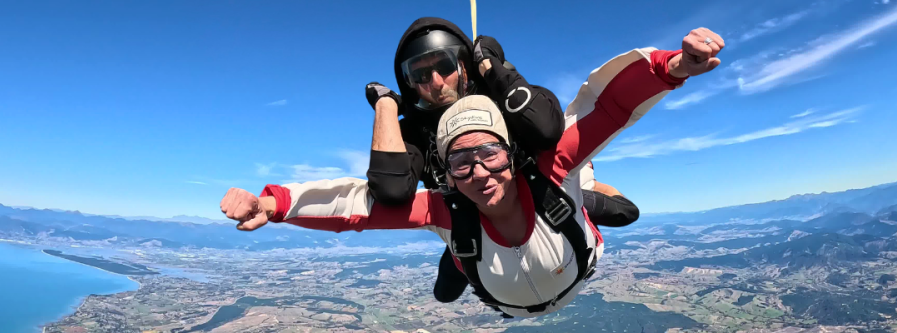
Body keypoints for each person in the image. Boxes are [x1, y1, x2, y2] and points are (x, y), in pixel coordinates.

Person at [220, 27, 725, 318]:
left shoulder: (547, 165)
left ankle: (583, 200)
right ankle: (541, 216)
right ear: (447, 170)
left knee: (619, 210)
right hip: (479, 239)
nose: (479, 170)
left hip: (550, 207)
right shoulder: (444, 198)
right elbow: (360, 206)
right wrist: (271, 204)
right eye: (460, 162)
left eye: (488, 154)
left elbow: (608, 106)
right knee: (447, 281)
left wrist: (675, 65)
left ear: (510, 151)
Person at [362, 16, 639, 304]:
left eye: (444, 67)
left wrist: (493, 66)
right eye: (420, 76)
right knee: (444, 294)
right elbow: (391, 190)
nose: (435, 82)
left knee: (625, 213)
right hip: (469, 219)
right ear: (409, 85)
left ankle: (582, 193)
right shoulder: (414, 132)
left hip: (539, 200)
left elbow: (546, 128)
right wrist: (386, 105)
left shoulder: (498, 97)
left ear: (463, 66)